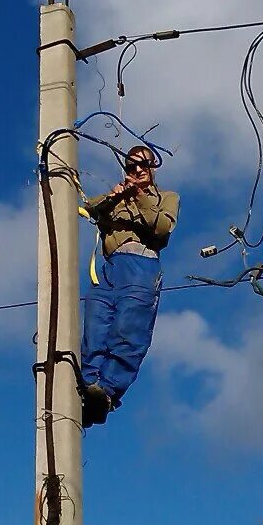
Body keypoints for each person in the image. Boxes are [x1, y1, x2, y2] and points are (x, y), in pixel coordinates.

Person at [80, 145, 179, 428]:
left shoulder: (167, 197)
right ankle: (89, 388)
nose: (136, 171)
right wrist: (114, 198)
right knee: (95, 325)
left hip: (142, 264)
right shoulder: (117, 198)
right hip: (110, 267)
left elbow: (161, 228)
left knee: (129, 328)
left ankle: (108, 390)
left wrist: (139, 196)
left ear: (152, 168)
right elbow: (88, 210)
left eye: (143, 166)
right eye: (131, 166)